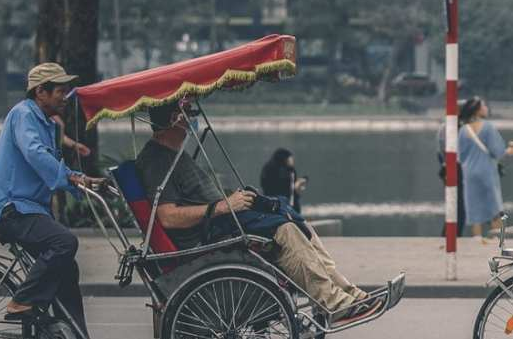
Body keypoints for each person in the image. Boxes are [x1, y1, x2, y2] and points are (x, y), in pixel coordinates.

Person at [135, 101, 380, 319]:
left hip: (225, 221)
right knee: (285, 231)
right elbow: (167, 217)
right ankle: (333, 303)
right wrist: (223, 206)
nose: (193, 118)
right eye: (188, 112)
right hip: (209, 236)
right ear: (173, 119)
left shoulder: (175, 154)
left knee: (299, 225)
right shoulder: (157, 160)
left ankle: (349, 294)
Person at [0, 63, 101, 335]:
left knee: (67, 267)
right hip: (11, 208)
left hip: (29, 208)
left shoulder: (45, 122)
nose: (65, 97)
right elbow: (35, 154)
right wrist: (70, 179)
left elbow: (50, 163)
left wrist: (80, 178)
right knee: (64, 242)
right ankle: (22, 302)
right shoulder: (23, 115)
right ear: (40, 92)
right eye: (60, 91)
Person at [458, 96, 513, 243]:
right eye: (483, 106)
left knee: (473, 203)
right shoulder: (488, 127)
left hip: (469, 172)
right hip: (487, 170)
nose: (486, 108)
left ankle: (477, 237)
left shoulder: (464, 130)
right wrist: (511, 150)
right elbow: (498, 152)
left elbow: (461, 155)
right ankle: (497, 237)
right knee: (494, 204)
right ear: (478, 110)